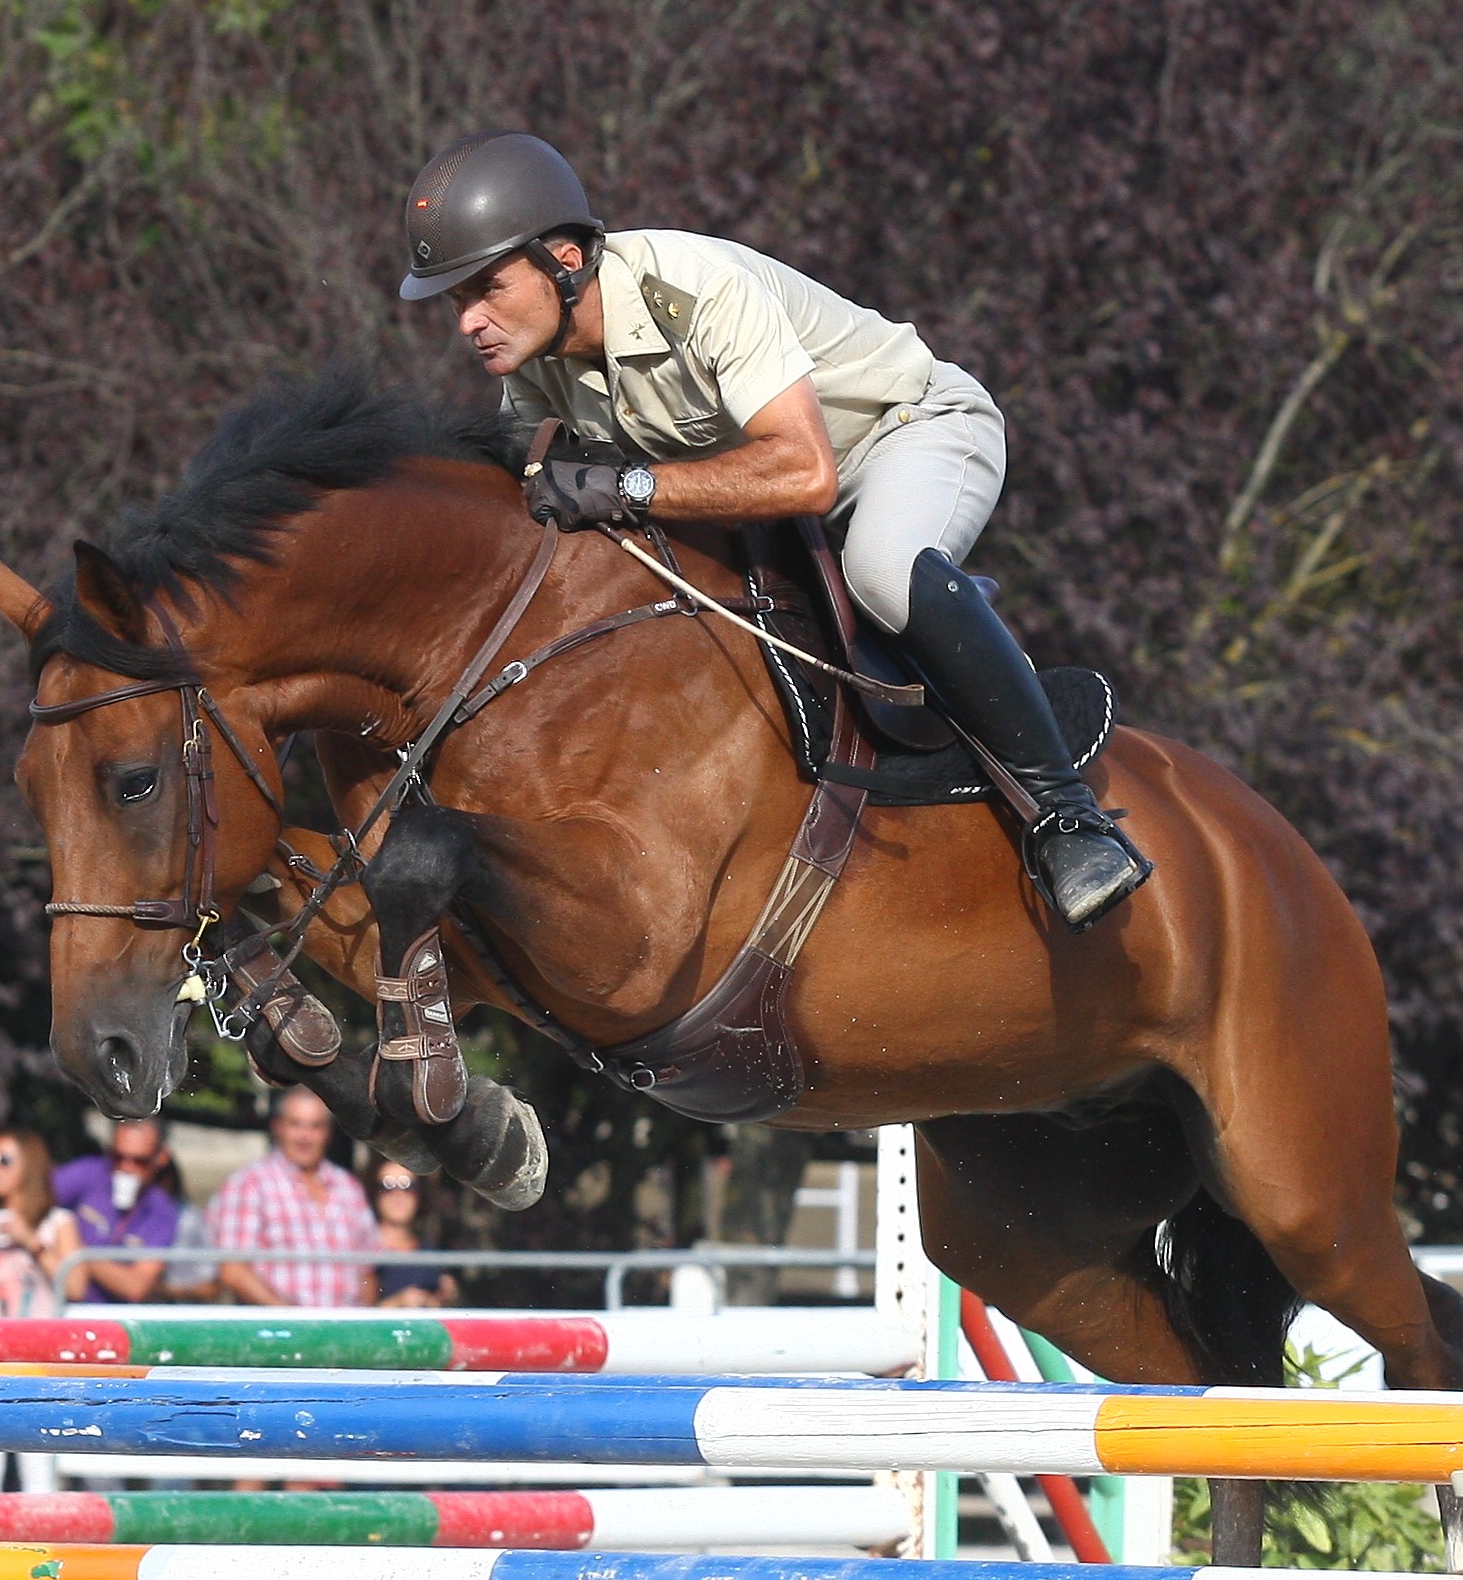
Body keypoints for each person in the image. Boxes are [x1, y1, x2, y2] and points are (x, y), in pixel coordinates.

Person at [398, 129, 1149, 931]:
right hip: (768, 494)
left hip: (904, 433)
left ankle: (1070, 821)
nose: (469, 322)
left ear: (566, 261)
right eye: (455, 300)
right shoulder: (535, 358)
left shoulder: (699, 289)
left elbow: (806, 473)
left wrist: (627, 483)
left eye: (488, 289)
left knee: (884, 570)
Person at [207, 1086, 377, 1308]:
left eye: (315, 1126)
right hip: (281, 1332)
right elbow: (233, 1269)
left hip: (346, 1332)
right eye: (295, 1124)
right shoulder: (249, 1184)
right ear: (277, 1127)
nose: (305, 1136)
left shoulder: (348, 1186)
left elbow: (368, 1269)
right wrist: (292, 1317)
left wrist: (361, 1326)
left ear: (328, 1132)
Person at [49, 1118, 184, 1304]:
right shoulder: (86, 1174)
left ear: (161, 1157)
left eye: (139, 1161)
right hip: (59, 1307)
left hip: (111, 1320)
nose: (126, 1168)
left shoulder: (161, 1212)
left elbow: (136, 1287)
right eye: (118, 1157)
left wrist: (75, 1249)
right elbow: (35, 1201)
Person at [0, 1130, 82, 1320]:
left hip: (37, 1338)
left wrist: (31, 1241)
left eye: (3, 1160)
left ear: (30, 1167)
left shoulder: (57, 1222)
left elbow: (75, 1287)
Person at [369, 1162, 455, 1308]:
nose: (398, 1195)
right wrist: (396, 1303)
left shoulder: (429, 1253)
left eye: (408, 1186)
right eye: (387, 1186)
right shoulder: (362, 1249)